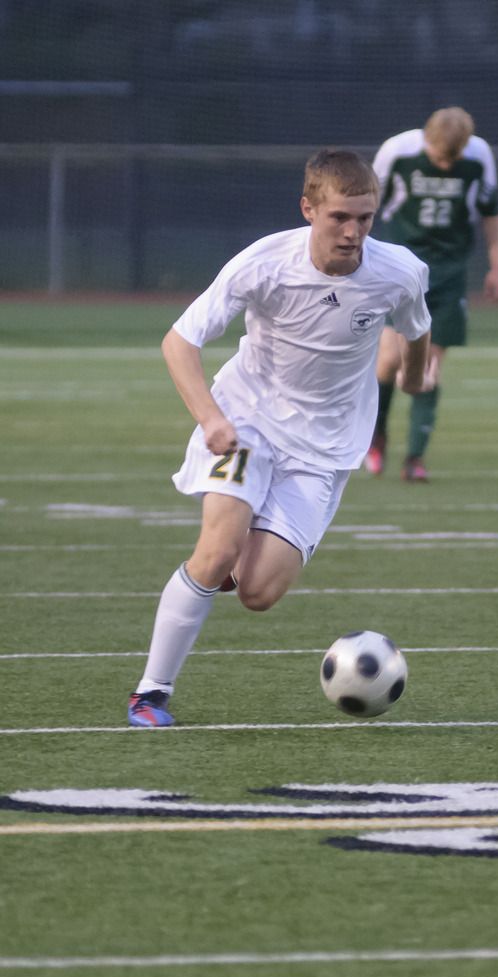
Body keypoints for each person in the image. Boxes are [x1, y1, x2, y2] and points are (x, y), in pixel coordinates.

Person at [127, 148, 432, 727]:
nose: (354, 232)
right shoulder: (264, 263)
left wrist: (414, 379)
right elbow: (179, 342)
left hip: (325, 448)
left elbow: (417, 326)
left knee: (258, 593)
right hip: (247, 423)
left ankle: (228, 563)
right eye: (340, 217)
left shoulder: (398, 271)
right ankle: (151, 693)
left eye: (364, 218)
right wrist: (213, 418)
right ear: (308, 209)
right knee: (215, 551)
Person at [365, 106, 498, 481]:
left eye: (453, 159)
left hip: (448, 272)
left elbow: (491, 211)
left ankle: (415, 458)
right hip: (401, 266)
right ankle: (375, 436)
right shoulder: (398, 150)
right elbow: (367, 203)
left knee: (429, 367)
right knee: (390, 361)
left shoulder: (479, 155)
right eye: (440, 158)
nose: (446, 166)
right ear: (427, 140)